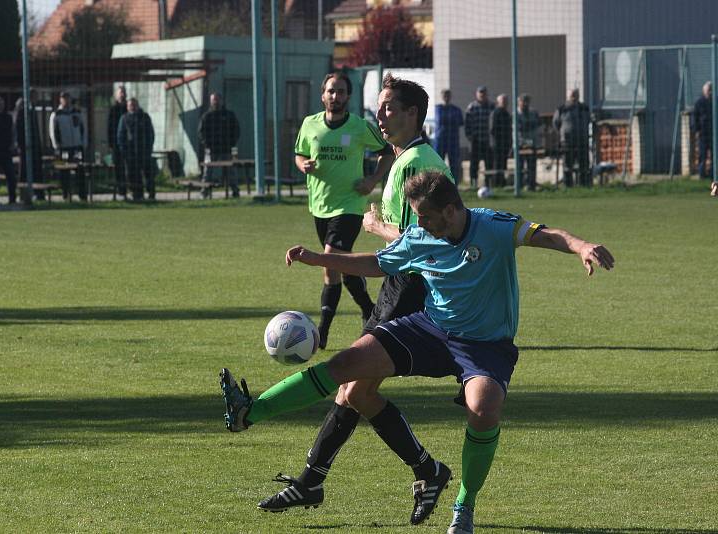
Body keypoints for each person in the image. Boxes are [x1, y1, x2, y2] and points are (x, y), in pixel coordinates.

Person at [221, 170, 615, 533]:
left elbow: (545, 235)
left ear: (450, 210)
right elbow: (378, 263)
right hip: (430, 329)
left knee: (484, 409)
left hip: (484, 345)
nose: (418, 225)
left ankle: (464, 506)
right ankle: (248, 413)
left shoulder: (493, 225)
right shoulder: (421, 234)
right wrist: (317, 258)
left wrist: (581, 246)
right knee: (345, 366)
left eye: (424, 217)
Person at [257, 73, 455, 526]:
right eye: (379, 107)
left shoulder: (420, 163)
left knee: (354, 387)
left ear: (411, 114)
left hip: (409, 291)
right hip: (398, 287)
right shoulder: (406, 158)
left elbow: (425, 241)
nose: (380, 115)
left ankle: (416, 472)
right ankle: (415, 472)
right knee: (355, 390)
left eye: (388, 108)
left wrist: (377, 227)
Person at [293, 71, 393, 349]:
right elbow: (299, 153)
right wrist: (303, 165)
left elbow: (387, 151)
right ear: (322, 95)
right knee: (342, 265)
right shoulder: (310, 124)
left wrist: (372, 179)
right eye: (330, 91)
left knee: (329, 260)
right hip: (319, 205)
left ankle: (322, 332)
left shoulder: (360, 126)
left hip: (349, 205)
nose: (335, 96)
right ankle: (369, 309)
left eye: (340, 92)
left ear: (348, 96)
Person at [198, 93, 241, 197]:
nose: (215, 102)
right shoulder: (207, 116)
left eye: (217, 99)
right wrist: (206, 144)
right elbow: (201, 132)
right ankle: (204, 192)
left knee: (232, 170)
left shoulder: (229, 115)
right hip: (211, 149)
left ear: (221, 101)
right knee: (207, 170)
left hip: (227, 148)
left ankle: (235, 191)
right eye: (213, 100)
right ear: (211, 101)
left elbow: (236, 130)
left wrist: (232, 143)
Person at [49, 91, 87, 201]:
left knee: (80, 169)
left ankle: (82, 195)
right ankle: (66, 194)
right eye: (64, 98)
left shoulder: (77, 112)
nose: (66, 100)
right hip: (63, 148)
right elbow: (52, 132)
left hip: (76, 147)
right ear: (60, 100)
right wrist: (56, 146)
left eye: (68, 98)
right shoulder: (56, 114)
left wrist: (83, 143)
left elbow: (83, 128)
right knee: (63, 170)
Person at [117, 97, 156, 201]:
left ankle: (151, 194)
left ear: (138, 105)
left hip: (144, 151)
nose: (132, 107)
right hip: (131, 153)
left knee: (148, 174)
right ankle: (137, 194)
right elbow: (120, 136)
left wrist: (149, 147)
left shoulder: (145, 117)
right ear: (127, 107)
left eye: (134, 105)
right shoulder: (124, 118)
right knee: (133, 175)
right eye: (130, 105)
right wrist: (124, 151)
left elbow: (150, 133)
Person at [553, 88, 591, 187]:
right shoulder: (561, 109)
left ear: (579, 96)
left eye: (576, 95)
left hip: (582, 140)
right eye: (572, 95)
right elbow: (556, 123)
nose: (574, 97)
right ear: (568, 96)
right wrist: (564, 132)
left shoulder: (584, 108)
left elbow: (589, 120)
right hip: (567, 142)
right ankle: (568, 185)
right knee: (567, 165)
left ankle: (584, 185)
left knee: (584, 165)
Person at [13, 93, 45, 201]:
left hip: (35, 146)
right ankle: (23, 195)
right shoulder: (21, 108)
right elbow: (17, 127)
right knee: (24, 171)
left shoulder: (32, 109)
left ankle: (39, 194)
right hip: (24, 146)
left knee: (37, 170)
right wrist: (19, 144)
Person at [464, 86, 494, 189]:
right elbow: (467, 124)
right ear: (477, 94)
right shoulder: (471, 107)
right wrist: (469, 137)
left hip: (488, 140)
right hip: (475, 141)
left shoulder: (491, 106)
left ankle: (488, 184)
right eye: (480, 93)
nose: (482, 95)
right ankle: (474, 184)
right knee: (474, 164)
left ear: (486, 94)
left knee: (489, 163)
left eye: (484, 93)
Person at [434, 89, 464, 182]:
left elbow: (461, 122)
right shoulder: (437, 109)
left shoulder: (456, 110)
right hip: (440, 140)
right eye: (444, 95)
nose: (446, 97)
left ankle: (454, 184)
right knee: (438, 163)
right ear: (441, 96)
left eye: (448, 95)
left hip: (453, 140)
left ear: (450, 97)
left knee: (454, 164)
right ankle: (437, 183)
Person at [516, 93, 541, 191]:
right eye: (523, 101)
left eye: (526, 101)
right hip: (520, 144)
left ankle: (531, 185)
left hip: (532, 142)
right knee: (520, 167)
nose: (525, 104)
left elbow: (538, 123)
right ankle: (519, 186)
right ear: (519, 102)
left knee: (531, 166)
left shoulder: (533, 113)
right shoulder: (516, 114)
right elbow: (519, 128)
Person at [107, 86, 128, 198]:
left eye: (123, 92)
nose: (122, 94)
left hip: (128, 145)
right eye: (120, 92)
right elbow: (109, 128)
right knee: (118, 168)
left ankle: (134, 191)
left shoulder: (129, 108)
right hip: (116, 144)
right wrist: (111, 144)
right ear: (116, 95)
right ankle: (121, 191)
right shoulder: (113, 109)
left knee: (130, 168)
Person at [489, 94, 512, 188]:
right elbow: (492, 129)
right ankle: (496, 183)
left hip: (505, 144)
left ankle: (502, 183)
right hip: (497, 144)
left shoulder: (507, 113)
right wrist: (498, 140)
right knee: (497, 163)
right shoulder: (495, 113)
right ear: (498, 102)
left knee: (503, 163)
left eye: (506, 101)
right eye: (503, 101)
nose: (505, 102)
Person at [692, 81, 713, 180]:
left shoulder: (714, 101)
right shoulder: (699, 103)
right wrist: (697, 130)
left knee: (714, 155)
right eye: (708, 90)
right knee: (702, 155)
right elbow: (695, 117)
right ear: (704, 91)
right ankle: (702, 174)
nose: (710, 92)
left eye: (711, 90)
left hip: (713, 134)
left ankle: (713, 174)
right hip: (703, 133)